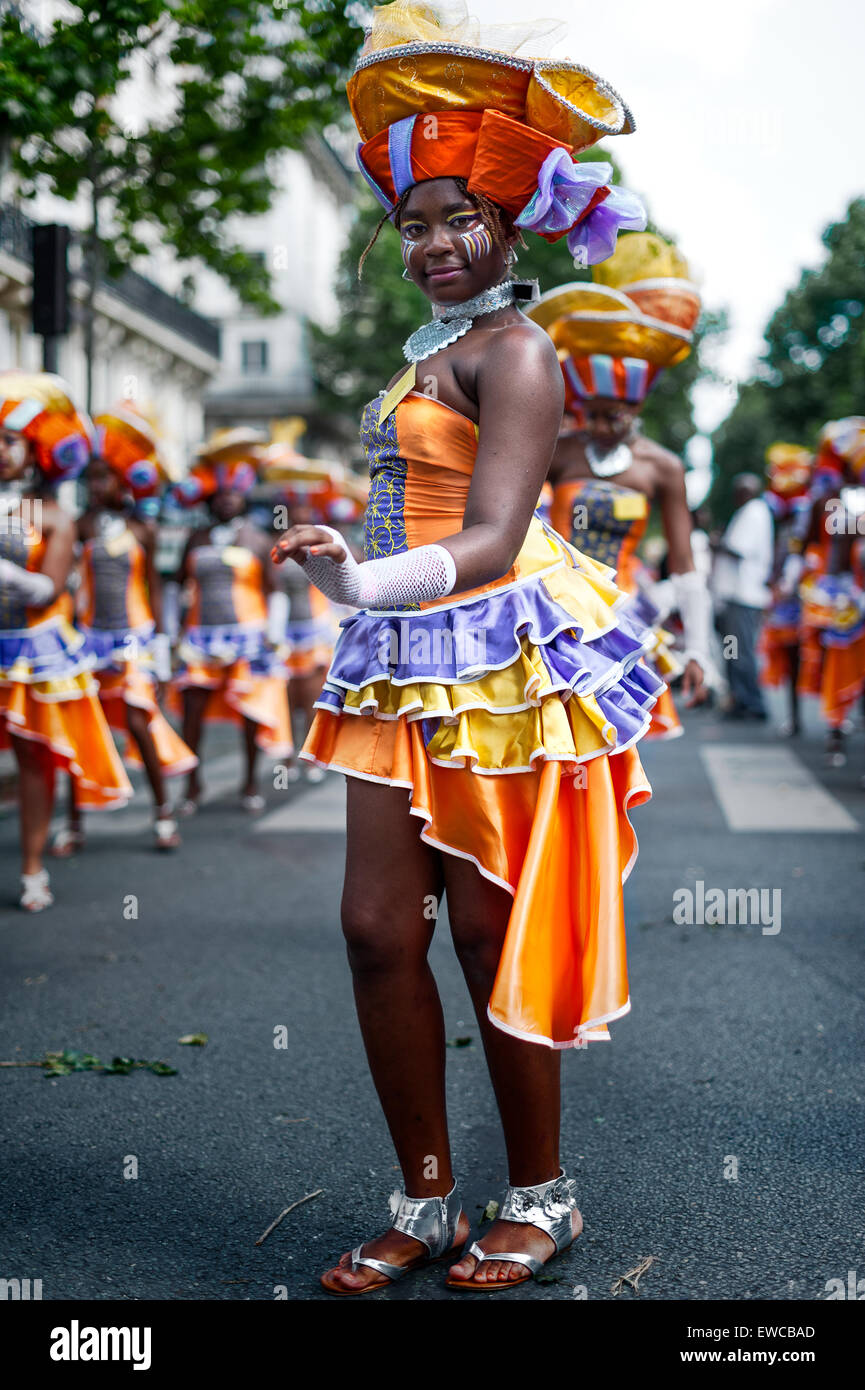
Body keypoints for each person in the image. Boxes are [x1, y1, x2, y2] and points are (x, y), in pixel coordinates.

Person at [272, 0, 663, 1294]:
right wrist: (346, 551)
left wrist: (358, 573)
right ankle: (425, 1198)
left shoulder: (522, 348)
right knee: (379, 929)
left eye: (460, 216)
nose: (435, 240)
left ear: (507, 222)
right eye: (415, 220)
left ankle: (540, 1196)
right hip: (396, 659)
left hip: (492, 657)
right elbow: (412, 506)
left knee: (490, 933)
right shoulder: (421, 357)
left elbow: (494, 535)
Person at [527, 233, 713, 738]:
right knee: (558, 743)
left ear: (638, 407)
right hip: (554, 616)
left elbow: (684, 566)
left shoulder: (663, 468)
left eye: (616, 416)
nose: (602, 427)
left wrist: (696, 648)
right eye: (592, 416)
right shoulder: (559, 453)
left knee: (615, 744)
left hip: (626, 618)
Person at [0, 371, 132, 910]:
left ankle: (32, 869)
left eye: (8, 441)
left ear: (35, 451)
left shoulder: (51, 515)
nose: (0, 452)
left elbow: (46, 590)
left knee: (35, 760)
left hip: (30, 651)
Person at [55, 401, 196, 854]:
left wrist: (162, 647)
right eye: (89, 477)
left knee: (138, 721)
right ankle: (75, 823)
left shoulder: (143, 530)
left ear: (123, 477)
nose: (94, 485)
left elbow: (156, 588)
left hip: (135, 637)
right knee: (83, 726)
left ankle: (162, 812)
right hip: (89, 639)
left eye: (102, 476)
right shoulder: (79, 526)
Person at [169, 429, 293, 813]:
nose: (226, 500)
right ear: (211, 497)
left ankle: (251, 783)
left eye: (233, 494)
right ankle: (191, 786)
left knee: (251, 712)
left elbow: (275, 591)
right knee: (192, 711)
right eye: (220, 495)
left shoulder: (257, 540)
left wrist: (274, 633)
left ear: (242, 498)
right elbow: (177, 587)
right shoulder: (195, 537)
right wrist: (171, 634)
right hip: (199, 638)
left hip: (249, 638)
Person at [795, 419, 865, 763]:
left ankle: (840, 729)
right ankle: (836, 729)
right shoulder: (830, 500)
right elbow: (818, 544)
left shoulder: (833, 499)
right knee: (834, 661)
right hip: (841, 593)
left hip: (847, 591)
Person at [757, 443, 813, 736]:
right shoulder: (785, 522)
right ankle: (798, 718)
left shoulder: (806, 513)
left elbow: (800, 554)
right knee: (792, 658)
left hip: (811, 598)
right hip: (793, 599)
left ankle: (827, 723)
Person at [713, 473, 774, 720]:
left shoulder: (754, 511)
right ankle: (738, 697)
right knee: (732, 650)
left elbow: (738, 549)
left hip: (744, 596)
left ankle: (752, 702)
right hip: (735, 597)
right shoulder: (749, 511)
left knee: (740, 651)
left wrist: (716, 542)